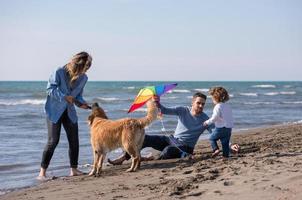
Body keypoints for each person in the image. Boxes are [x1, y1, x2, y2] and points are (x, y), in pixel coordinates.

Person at [108, 92, 214, 165]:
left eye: (203, 104)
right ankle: (123, 158)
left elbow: (215, 132)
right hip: (171, 139)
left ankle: (152, 159)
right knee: (143, 138)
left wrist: (227, 145)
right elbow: (163, 110)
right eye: (198, 103)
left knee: (168, 151)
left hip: (185, 147)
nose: (200, 106)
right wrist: (157, 102)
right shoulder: (183, 110)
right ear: (192, 102)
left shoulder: (205, 118)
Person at [37, 52, 92, 180]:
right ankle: (42, 173)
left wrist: (82, 103)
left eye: (87, 68)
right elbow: (50, 89)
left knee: (74, 141)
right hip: (54, 111)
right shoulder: (59, 71)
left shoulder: (84, 78)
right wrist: (64, 97)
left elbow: (77, 95)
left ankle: (73, 169)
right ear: (77, 64)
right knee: (52, 142)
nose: (85, 70)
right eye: (85, 67)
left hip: (69, 112)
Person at [203, 86, 234, 158]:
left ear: (216, 97)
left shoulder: (218, 106)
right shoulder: (227, 106)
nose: (212, 100)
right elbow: (230, 117)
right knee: (225, 143)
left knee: (212, 138)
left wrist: (207, 122)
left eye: (212, 98)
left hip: (221, 128)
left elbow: (215, 118)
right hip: (229, 128)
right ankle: (225, 156)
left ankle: (216, 149)